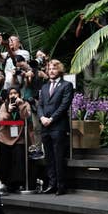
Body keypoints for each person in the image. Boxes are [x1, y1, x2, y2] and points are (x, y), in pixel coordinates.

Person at [38, 59, 74, 196]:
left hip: (58, 125)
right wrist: (41, 118)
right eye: (49, 68)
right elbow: (40, 104)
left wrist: (51, 119)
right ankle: (51, 184)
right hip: (45, 126)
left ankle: (61, 185)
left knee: (59, 156)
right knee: (49, 157)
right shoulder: (45, 86)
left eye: (54, 68)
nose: (51, 70)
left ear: (59, 69)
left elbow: (64, 106)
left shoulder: (67, 85)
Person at [0, 87, 31, 192]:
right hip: (5, 136)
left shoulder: (25, 103)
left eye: (15, 93)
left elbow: (25, 116)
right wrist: (9, 111)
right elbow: (1, 119)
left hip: (19, 136)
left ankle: (18, 183)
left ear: (19, 94)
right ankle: (5, 182)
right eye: (11, 93)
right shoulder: (4, 105)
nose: (13, 95)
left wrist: (20, 105)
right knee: (4, 159)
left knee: (19, 158)